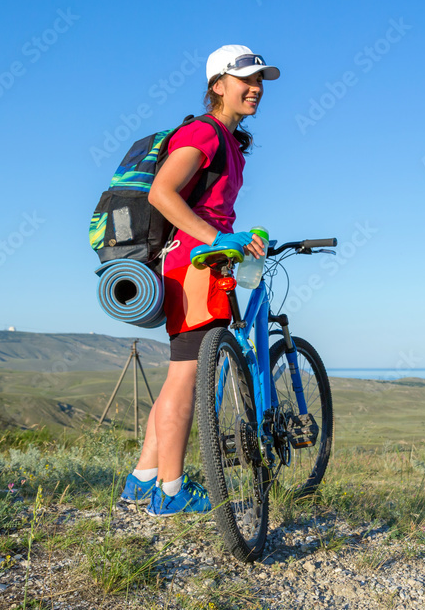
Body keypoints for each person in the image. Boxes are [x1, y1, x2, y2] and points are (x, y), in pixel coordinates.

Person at [118, 45, 280, 516]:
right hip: (195, 266)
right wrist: (218, 238)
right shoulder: (202, 132)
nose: (255, 88)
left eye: (260, 81)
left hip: (202, 264)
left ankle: (142, 479)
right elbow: (161, 192)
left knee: (179, 379)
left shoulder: (227, 139)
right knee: (186, 380)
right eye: (245, 79)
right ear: (217, 85)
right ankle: (171, 492)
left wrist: (228, 240)